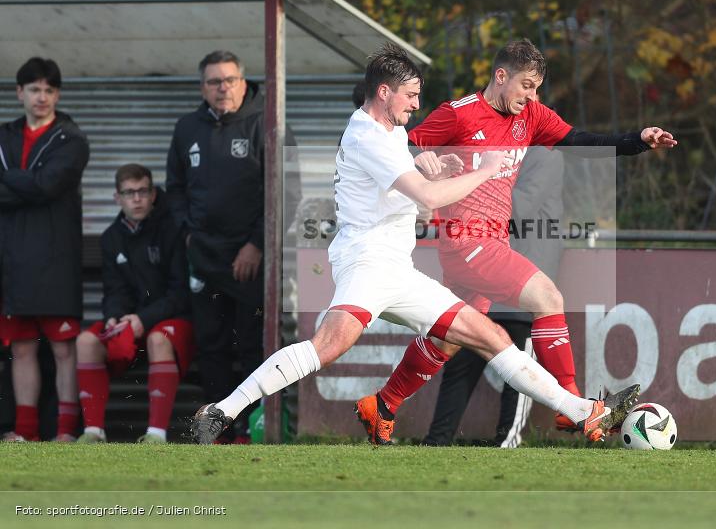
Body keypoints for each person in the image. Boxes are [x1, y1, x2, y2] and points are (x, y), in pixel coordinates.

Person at [191, 43, 634, 446]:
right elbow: (427, 198)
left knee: (489, 335)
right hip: (367, 263)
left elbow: (413, 181)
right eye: (411, 96)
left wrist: (431, 164)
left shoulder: (388, 131)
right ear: (385, 93)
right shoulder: (369, 136)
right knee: (329, 345)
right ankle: (222, 411)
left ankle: (581, 412)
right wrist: (483, 170)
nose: (418, 105)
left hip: (397, 270)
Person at [356, 38, 676, 444]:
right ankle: (575, 407)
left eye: (537, 87)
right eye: (527, 85)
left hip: (494, 242)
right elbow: (401, 142)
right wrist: (421, 158)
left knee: (447, 338)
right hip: (466, 241)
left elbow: (579, 140)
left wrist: (636, 141)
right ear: (501, 76)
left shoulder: (532, 116)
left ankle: (382, 404)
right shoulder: (458, 114)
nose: (532, 95)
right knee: (549, 298)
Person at [166, 50, 298, 443]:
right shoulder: (187, 127)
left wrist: (256, 245)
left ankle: (249, 429)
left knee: (251, 345)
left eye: (229, 80)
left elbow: (288, 193)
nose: (222, 88)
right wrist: (188, 234)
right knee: (212, 346)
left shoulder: (268, 124)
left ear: (243, 82)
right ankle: (216, 430)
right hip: (204, 258)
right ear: (202, 88)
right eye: (213, 82)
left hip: (252, 261)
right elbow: (174, 189)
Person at [423, 146, 563, 448]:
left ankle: (507, 444)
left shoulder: (545, 153)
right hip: (482, 273)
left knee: (521, 370)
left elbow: (520, 209)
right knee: (459, 360)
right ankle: (436, 442)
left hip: (522, 277)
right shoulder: (493, 146)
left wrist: (470, 184)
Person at [0, 57, 90, 442]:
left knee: (63, 350)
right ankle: (26, 432)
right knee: (21, 348)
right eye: (34, 89)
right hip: (11, 261)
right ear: (19, 92)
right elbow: (37, 186)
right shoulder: (4, 136)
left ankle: (66, 433)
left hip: (56, 258)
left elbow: (48, 186)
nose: (42, 97)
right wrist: (30, 184)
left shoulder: (72, 139)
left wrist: (9, 182)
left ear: (58, 94)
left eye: (49, 90)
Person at [75, 164, 193, 443]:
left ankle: (156, 434)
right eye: (129, 193)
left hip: (174, 323)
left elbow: (180, 293)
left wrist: (144, 319)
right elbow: (114, 290)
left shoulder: (172, 229)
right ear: (117, 198)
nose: (137, 199)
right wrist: (114, 318)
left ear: (153, 194)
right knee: (85, 342)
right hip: (134, 324)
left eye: (142, 191)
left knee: (158, 338)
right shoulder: (111, 238)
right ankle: (93, 432)